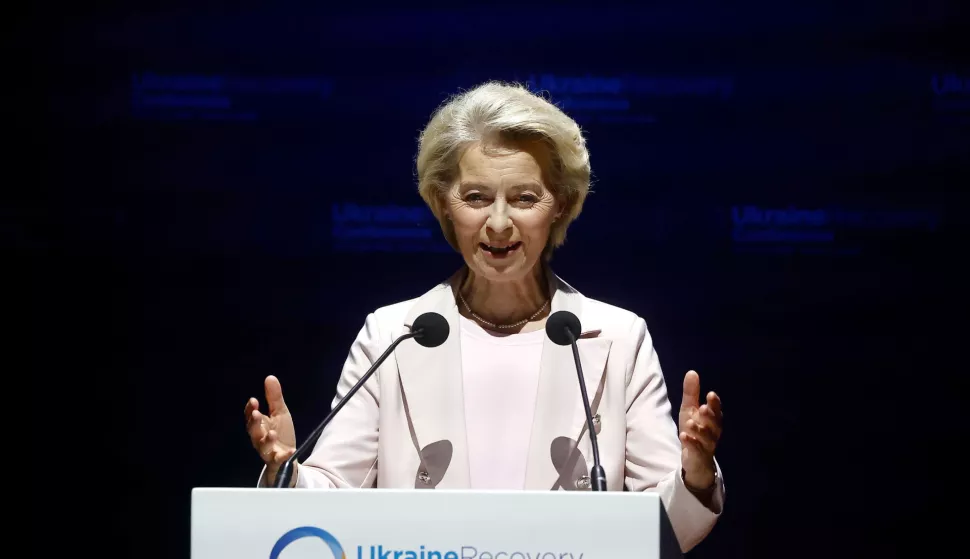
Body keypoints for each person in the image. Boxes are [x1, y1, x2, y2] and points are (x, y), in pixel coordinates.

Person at [244, 81, 725, 552]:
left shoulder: (618, 339)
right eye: (475, 197)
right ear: (443, 203)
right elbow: (331, 499)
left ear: (559, 205)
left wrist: (695, 476)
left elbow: (666, 529)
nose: (498, 223)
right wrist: (287, 471)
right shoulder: (392, 336)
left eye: (524, 198)